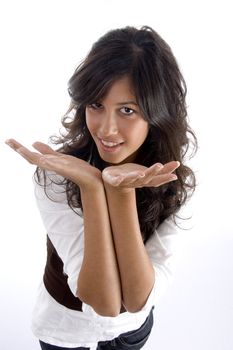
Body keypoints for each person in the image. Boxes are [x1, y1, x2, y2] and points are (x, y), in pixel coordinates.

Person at [5, 25, 197, 350]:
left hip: (133, 330)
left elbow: (136, 300)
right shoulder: (55, 175)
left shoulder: (175, 183)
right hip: (65, 332)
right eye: (96, 105)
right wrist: (94, 189)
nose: (107, 129)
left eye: (127, 110)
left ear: (157, 112)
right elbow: (103, 302)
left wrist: (120, 192)